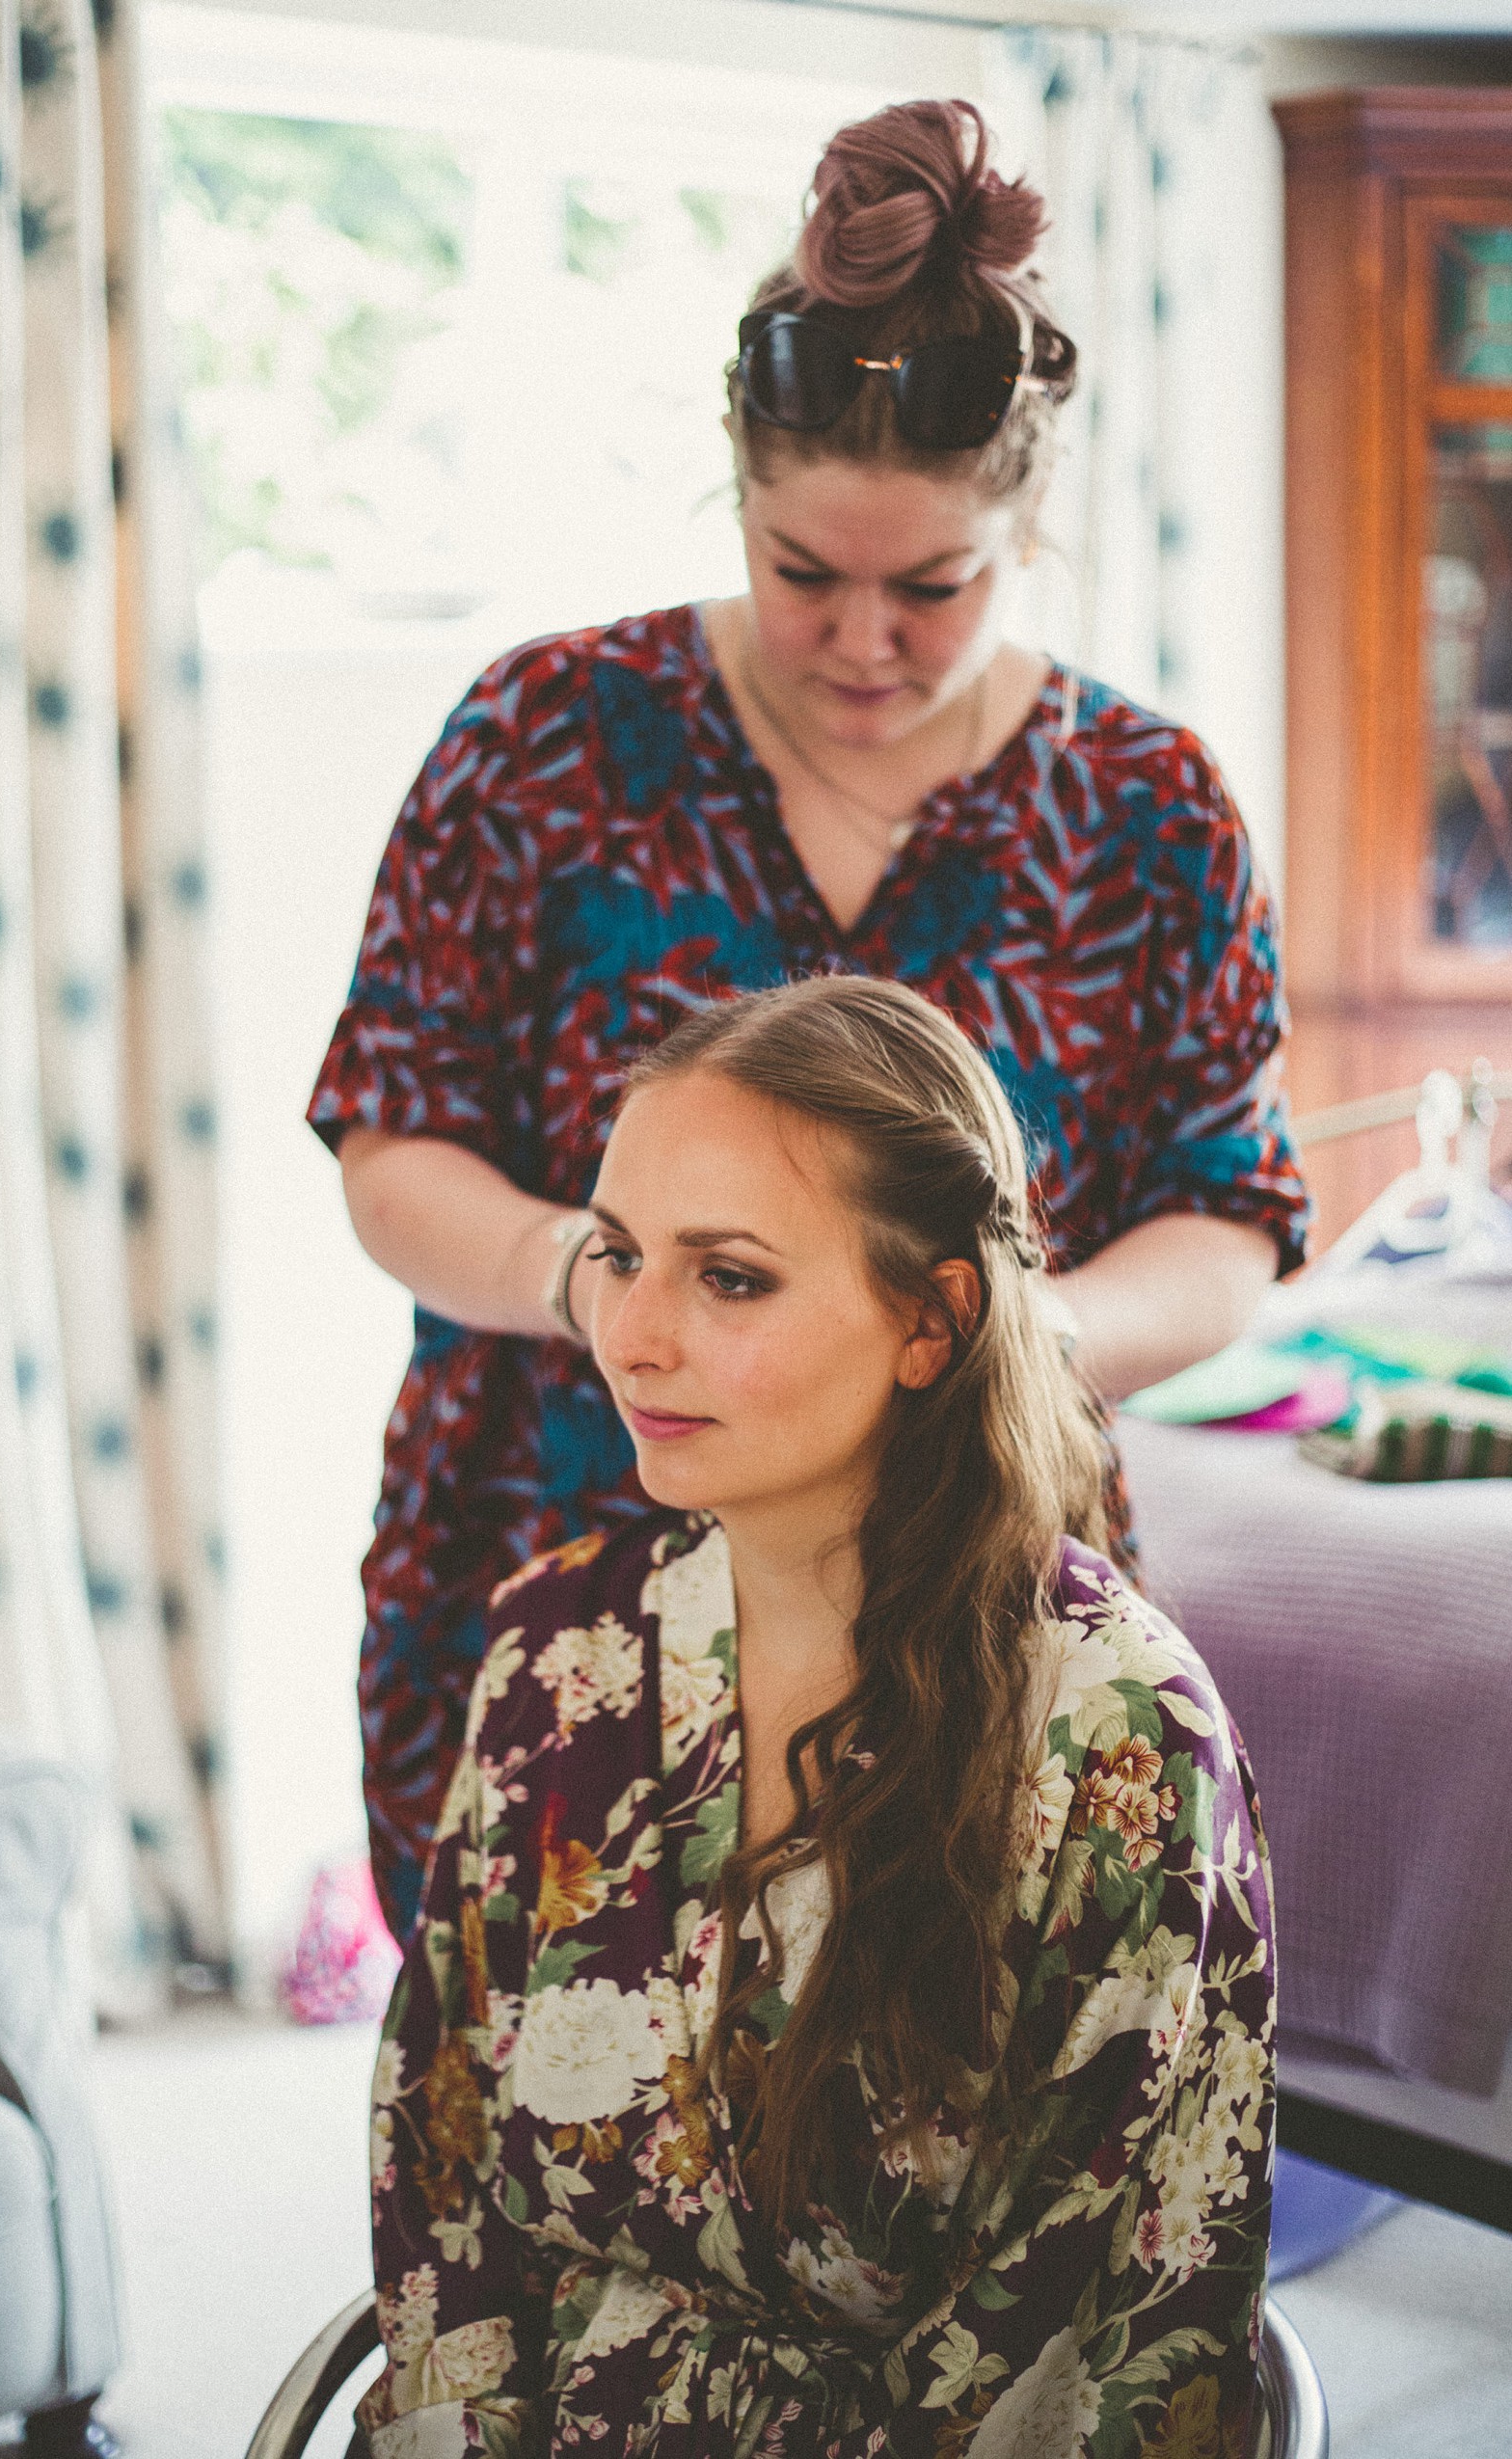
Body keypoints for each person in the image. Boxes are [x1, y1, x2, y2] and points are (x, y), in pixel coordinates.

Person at [310, 95, 1310, 1939]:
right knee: (546, 2119)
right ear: (735, 494)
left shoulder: (1151, 806)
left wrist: (996, 1338)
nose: (864, 640)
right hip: (555, 1535)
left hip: (971, 1584)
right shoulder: (541, 740)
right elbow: (391, 1142)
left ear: (1027, 530)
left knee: (953, 2096)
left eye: (934, 588)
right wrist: (600, 1284)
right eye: (804, 574)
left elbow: (1232, 1209)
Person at [356, 977, 1276, 2459]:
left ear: (934, 1318)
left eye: (729, 1277)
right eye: (617, 1254)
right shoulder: (553, 1656)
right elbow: (442, 2174)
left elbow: (1087, 2341)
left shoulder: (1116, 1735)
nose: (631, 1336)